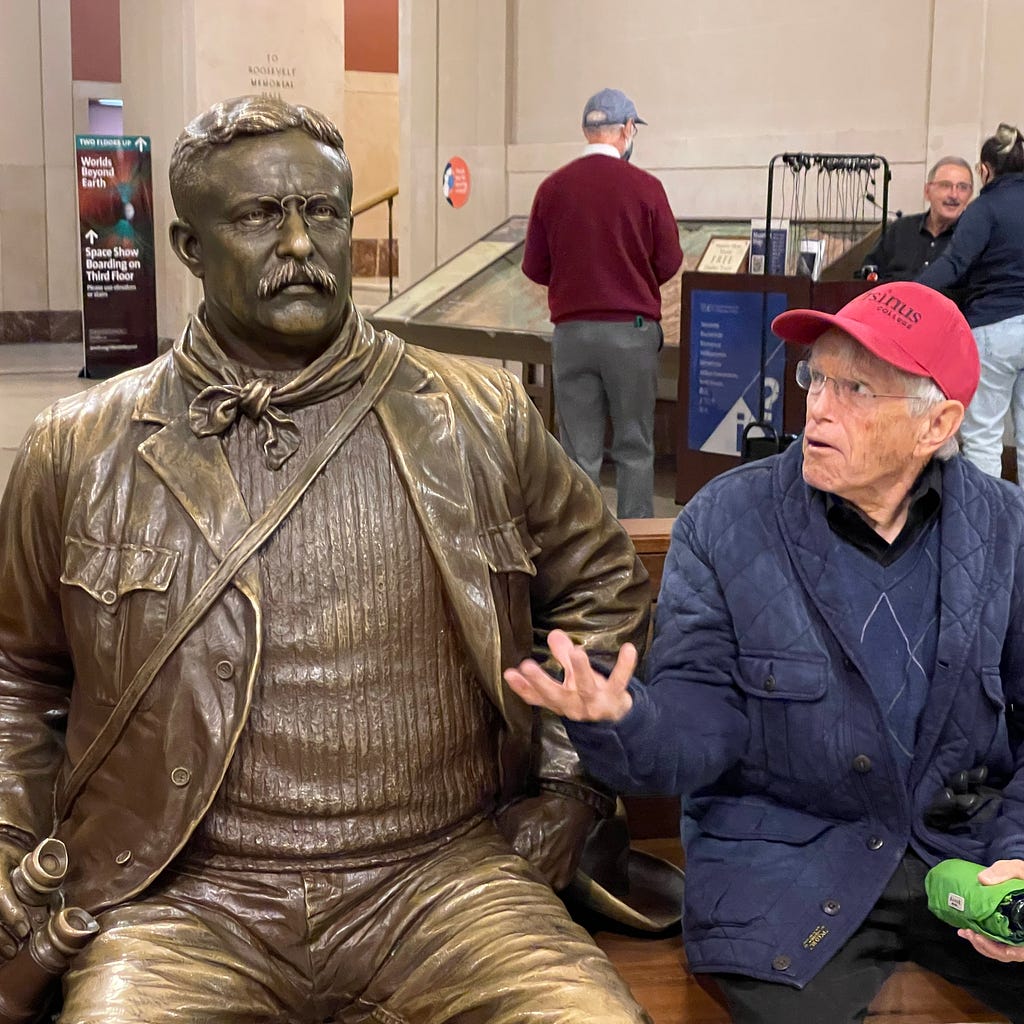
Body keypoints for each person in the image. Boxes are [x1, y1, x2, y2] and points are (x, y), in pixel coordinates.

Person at [0, 95, 660, 1023]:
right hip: (187, 899)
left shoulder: (479, 414)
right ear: (190, 248)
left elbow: (603, 591)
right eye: (261, 216)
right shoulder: (77, 447)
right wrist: (6, 837)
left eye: (323, 213)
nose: (302, 245)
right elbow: (17, 675)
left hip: (446, 881)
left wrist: (570, 786)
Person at [505, 281, 1024, 1023]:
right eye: (816, 376)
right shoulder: (725, 522)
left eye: (857, 389)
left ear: (936, 424)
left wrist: (1017, 855)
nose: (818, 404)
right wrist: (620, 717)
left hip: (965, 859)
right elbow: (700, 720)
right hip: (786, 868)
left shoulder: (1007, 532)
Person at [522, 87, 682, 519]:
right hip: (631, 333)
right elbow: (670, 260)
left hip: (572, 334)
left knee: (578, 454)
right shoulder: (647, 188)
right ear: (628, 130)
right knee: (634, 446)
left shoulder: (552, 189)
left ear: (585, 130)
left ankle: (581, 550)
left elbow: (534, 265)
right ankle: (634, 550)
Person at [918, 124, 1024, 483]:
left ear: (984, 170)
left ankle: (989, 530)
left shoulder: (984, 208)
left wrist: (909, 291)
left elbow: (954, 265)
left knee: (983, 441)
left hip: (993, 331)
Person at [860, 156, 973, 281]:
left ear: (970, 194)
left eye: (962, 187)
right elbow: (870, 272)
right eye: (945, 185)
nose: (954, 195)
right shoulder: (899, 229)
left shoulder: (973, 238)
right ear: (927, 191)